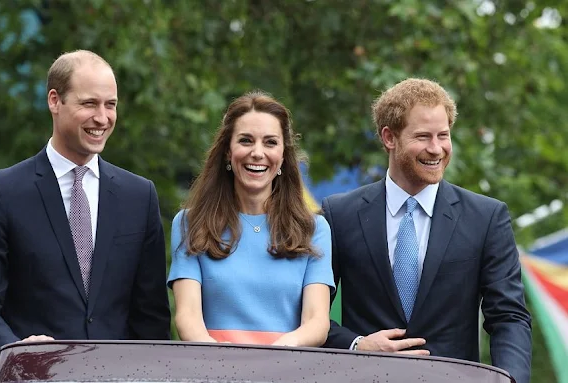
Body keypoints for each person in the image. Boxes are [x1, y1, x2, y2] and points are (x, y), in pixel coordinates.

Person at [322, 78, 532, 383]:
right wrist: (357, 345)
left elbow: (509, 317)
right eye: (423, 137)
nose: (436, 149)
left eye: (443, 136)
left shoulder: (487, 217)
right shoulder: (338, 214)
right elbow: (310, 316)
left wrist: (510, 380)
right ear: (389, 138)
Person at [0, 50, 171, 365]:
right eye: (89, 104)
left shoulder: (140, 195)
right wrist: (15, 353)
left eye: (111, 105)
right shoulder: (3, 192)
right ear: (55, 101)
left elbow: (152, 317)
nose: (103, 118)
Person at [168, 91, 334, 347]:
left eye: (270, 142)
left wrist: (274, 355)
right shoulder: (190, 223)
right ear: (227, 151)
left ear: (283, 155)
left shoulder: (314, 229)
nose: (257, 153)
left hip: (284, 369)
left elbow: (316, 321)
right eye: (246, 141)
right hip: (212, 369)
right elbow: (188, 317)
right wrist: (221, 360)